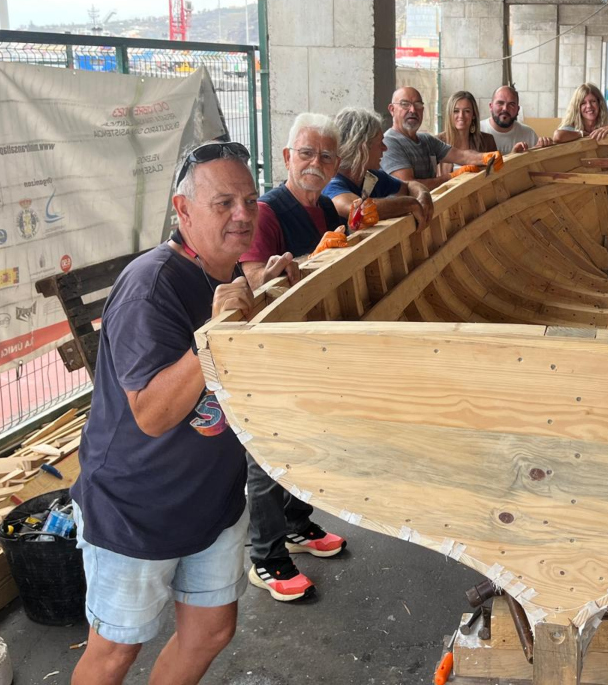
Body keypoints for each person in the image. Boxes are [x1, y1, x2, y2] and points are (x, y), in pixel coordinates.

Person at [70, 140, 298, 685]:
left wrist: (262, 290)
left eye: (248, 200)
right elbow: (151, 413)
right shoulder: (151, 287)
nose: (243, 215)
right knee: (115, 650)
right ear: (183, 211)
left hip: (210, 499)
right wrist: (210, 335)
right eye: (223, 203)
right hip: (137, 508)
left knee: (211, 629)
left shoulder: (226, 275)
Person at [238, 113, 349, 602]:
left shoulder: (325, 207)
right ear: (286, 157)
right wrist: (277, 273)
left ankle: (295, 526)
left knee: (308, 439)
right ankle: (265, 556)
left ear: (336, 164)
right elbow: (250, 280)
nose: (315, 163)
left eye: (325, 156)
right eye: (305, 153)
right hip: (267, 352)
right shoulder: (267, 211)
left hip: (307, 345)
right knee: (268, 453)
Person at [327, 106, 435, 228]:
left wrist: (424, 195)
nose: (385, 148)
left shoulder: (370, 176)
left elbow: (409, 186)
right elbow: (359, 210)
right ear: (363, 148)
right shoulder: (331, 181)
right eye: (380, 143)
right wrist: (410, 204)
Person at [381, 86, 498, 189]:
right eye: (405, 104)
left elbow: (461, 155)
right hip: (405, 213)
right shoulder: (389, 142)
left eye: (417, 104)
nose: (412, 110)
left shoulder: (426, 140)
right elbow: (408, 186)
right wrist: (451, 177)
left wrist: (486, 157)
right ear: (392, 110)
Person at [438, 90, 497, 176]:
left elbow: (496, 173)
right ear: (449, 114)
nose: (461, 116)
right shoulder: (437, 141)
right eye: (456, 111)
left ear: (473, 115)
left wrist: (513, 154)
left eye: (467, 111)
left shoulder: (487, 141)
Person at [480, 84, 553, 154]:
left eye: (511, 104)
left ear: (518, 110)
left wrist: (541, 149)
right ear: (491, 107)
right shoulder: (478, 131)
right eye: (500, 103)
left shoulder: (529, 134)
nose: (505, 108)